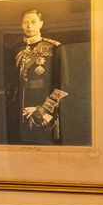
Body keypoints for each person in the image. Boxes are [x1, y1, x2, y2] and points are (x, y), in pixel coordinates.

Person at [7, 8, 70, 144]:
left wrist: (44, 109)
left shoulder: (54, 48)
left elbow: (62, 85)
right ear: (21, 25)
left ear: (41, 23)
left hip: (43, 112)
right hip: (18, 113)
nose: (29, 26)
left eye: (33, 22)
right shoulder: (15, 48)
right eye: (25, 22)